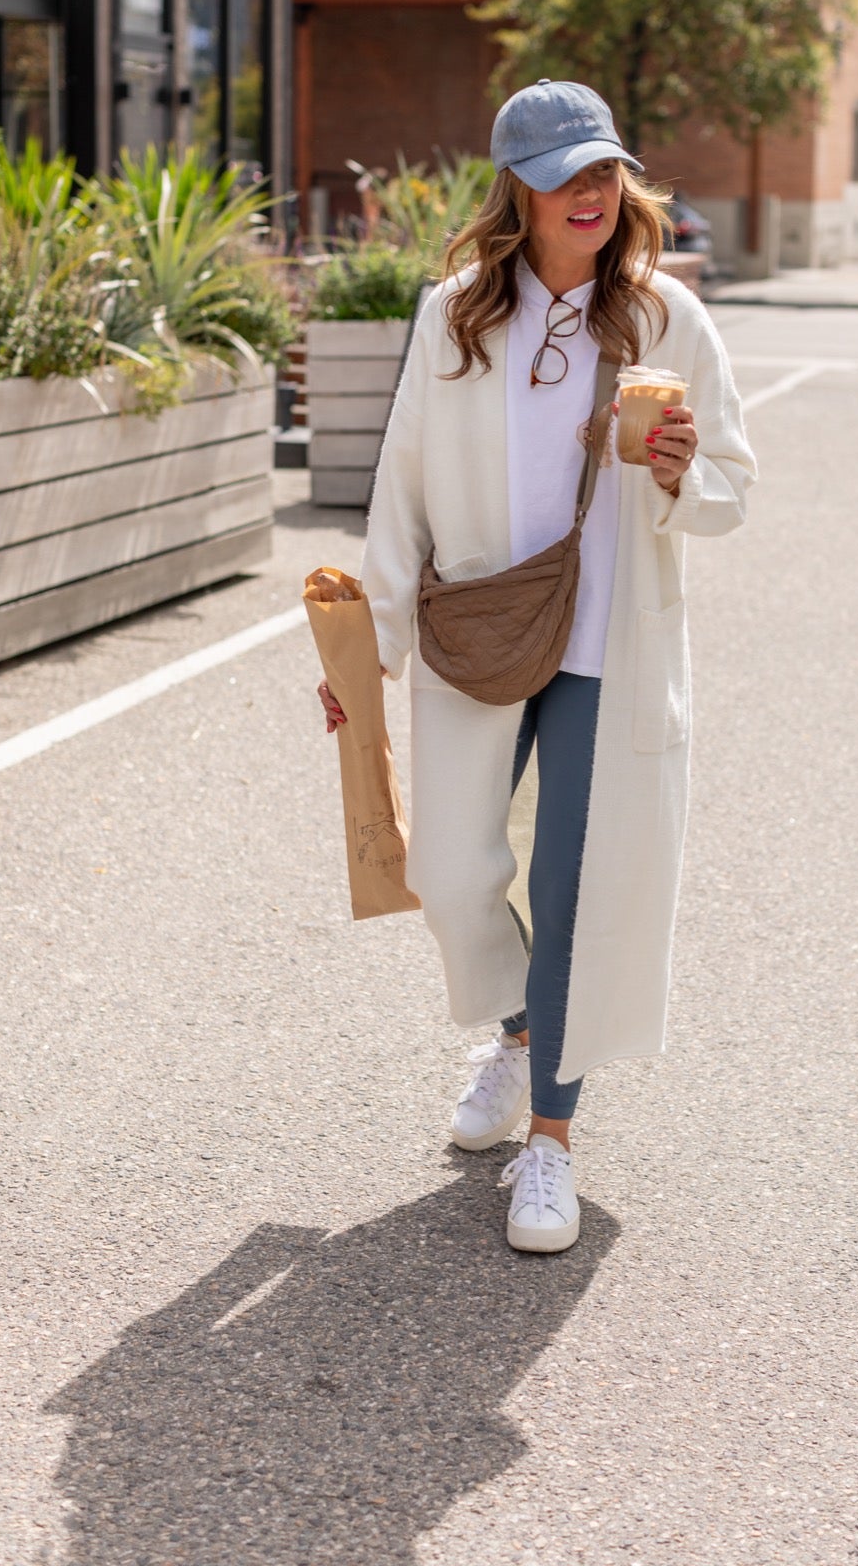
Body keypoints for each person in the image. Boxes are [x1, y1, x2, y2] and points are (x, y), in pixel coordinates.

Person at [317, 79, 756, 1254]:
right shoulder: (456, 313)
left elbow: (733, 492)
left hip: (610, 641)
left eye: (605, 168)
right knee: (455, 871)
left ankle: (549, 1142)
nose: (592, 192)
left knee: (575, 890)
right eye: (566, 173)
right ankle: (517, 1031)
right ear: (517, 185)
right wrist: (368, 656)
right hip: (477, 625)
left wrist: (674, 469)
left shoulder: (666, 318)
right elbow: (400, 486)